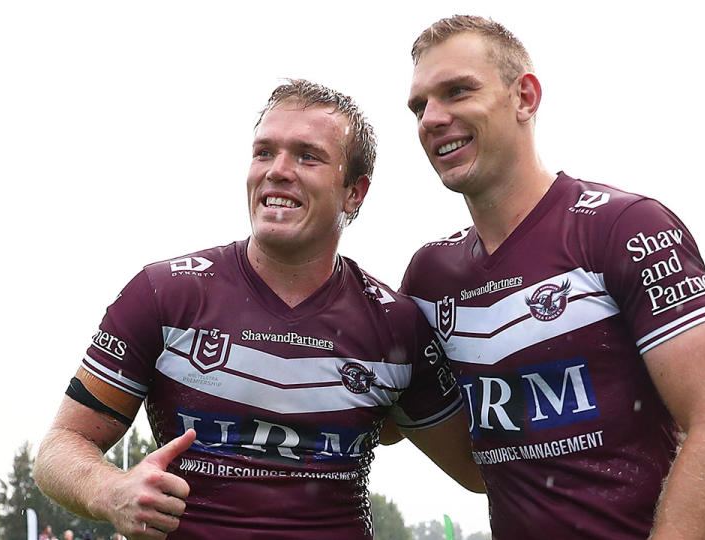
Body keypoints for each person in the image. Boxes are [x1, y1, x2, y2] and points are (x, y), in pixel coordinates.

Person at [34, 79, 481, 539]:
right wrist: (111, 491)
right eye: (264, 152)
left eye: (307, 156)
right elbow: (59, 448)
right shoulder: (164, 294)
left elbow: (478, 468)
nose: (278, 170)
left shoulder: (397, 326)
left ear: (355, 192)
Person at [400, 14, 705, 540]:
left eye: (457, 91)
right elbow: (473, 468)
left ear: (524, 98)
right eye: (418, 106)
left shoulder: (625, 226)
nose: (432, 118)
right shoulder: (431, 277)